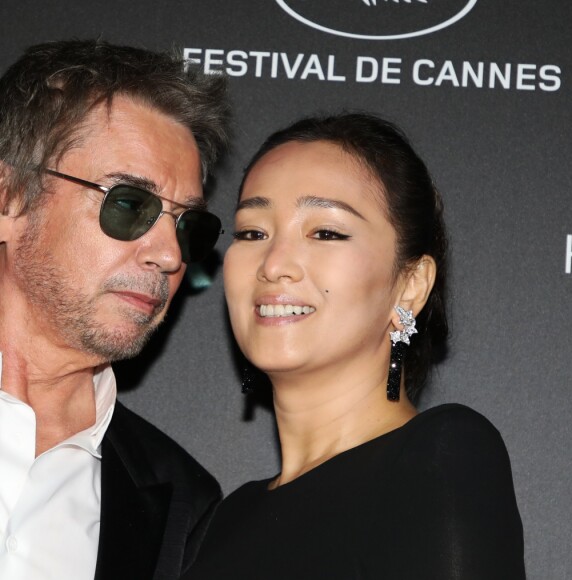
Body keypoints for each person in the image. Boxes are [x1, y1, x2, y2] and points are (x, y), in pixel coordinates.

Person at [190, 113, 526, 579]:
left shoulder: (440, 458)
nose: (274, 264)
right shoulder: (224, 519)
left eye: (325, 232)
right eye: (253, 232)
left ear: (409, 285)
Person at [0, 40, 229, 579]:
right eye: (129, 203)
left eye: (186, 224)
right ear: (9, 200)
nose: (170, 255)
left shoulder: (182, 505)